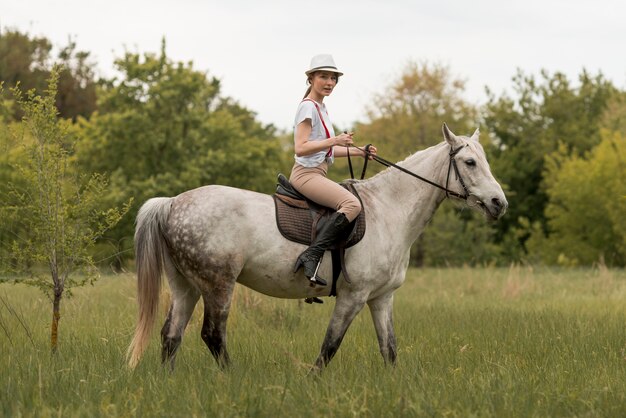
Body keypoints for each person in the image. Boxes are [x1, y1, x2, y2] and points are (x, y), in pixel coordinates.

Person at [290, 54, 378, 286]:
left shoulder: (321, 107)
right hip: (306, 175)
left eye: (333, 78)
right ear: (310, 78)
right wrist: (334, 141)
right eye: (323, 77)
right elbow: (301, 148)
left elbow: (326, 152)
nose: (329, 82)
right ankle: (312, 254)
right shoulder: (308, 107)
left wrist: (360, 152)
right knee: (352, 205)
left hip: (318, 171)